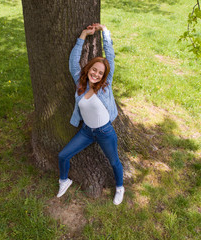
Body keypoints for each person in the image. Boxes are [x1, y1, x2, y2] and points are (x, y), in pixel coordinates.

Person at [57, 23, 124, 205]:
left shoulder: (105, 86)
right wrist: (83, 35)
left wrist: (105, 33)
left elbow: (110, 56)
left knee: (114, 162)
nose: (96, 74)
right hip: (86, 131)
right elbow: (73, 61)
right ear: (88, 69)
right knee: (63, 155)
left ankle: (120, 187)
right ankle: (64, 180)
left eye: (100, 73)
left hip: (105, 132)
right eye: (94, 69)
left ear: (104, 76)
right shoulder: (80, 82)